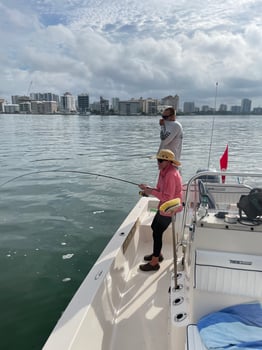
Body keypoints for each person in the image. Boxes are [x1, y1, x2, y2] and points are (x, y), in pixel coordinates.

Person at [138, 149, 183, 272]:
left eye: (160, 160)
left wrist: (150, 192)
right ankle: (158, 255)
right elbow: (159, 189)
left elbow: (168, 197)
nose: (158, 163)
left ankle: (154, 263)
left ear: (168, 162)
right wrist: (147, 188)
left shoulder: (171, 175)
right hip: (164, 206)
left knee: (157, 232)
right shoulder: (163, 171)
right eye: (158, 160)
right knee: (154, 227)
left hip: (170, 207)